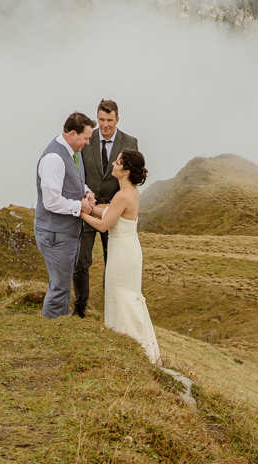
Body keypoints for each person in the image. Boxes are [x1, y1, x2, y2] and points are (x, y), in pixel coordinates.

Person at [80, 148, 159, 364]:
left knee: (122, 295)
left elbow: (104, 225)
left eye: (117, 162)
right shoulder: (130, 192)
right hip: (128, 249)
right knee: (126, 294)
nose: (113, 164)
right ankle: (135, 347)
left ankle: (132, 348)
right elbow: (109, 210)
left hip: (122, 254)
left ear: (125, 170)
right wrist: (93, 207)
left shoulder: (123, 195)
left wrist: (80, 213)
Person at [75, 99, 138, 317]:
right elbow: (78, 173)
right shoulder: (86, 139)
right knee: (80, 260)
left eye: (109, 120)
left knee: (113, 264)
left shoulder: (130, 142)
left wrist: (115, 206)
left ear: (117, 120)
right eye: (101, 119)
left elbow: (133, 179)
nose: (105, 125)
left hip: (114, 214)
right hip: (88, 207)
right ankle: (79, 307)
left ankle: (110, 310)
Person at [34, 112, 97, 318]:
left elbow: (73, 180)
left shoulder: (73, 150)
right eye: (86, 138)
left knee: (61, 283)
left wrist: (86, 191)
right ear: (72, 134)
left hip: (65, 233)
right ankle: (52, 330)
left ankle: (56, 326)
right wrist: (79, 206)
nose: (87, 143)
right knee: (60, 287)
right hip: (55, 233)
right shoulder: (53, 159)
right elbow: (50, 200)